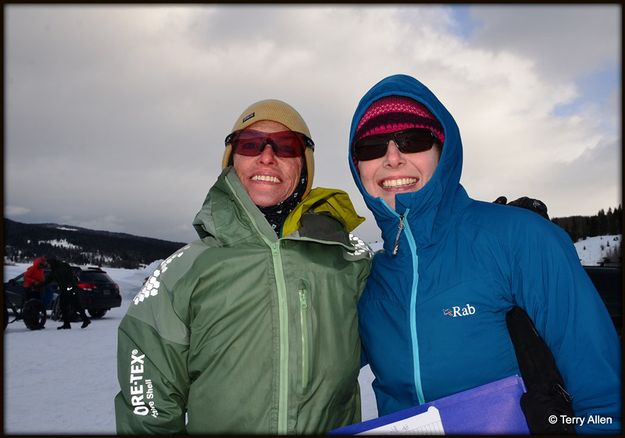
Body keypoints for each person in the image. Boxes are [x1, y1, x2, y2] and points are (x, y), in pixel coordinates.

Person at [348, 74, 620, 434]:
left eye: (413, 140)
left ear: (442, 151)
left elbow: (606, 405)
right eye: (371, 147)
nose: (392, 158)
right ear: (358, 166)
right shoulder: (372, 279)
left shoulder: (521, 239)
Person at [115, 99, 372, 434]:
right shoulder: (184, 271)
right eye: (250, 144)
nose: (267, 156)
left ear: (304, 164)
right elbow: (147, 409)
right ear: (232, 159)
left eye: (286, 146)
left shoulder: (350, 259)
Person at [47, 258, 91, 329]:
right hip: (67, 289)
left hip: (69, 288)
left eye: (48, 264)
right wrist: (41, 284)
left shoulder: (61, 267)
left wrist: (70, 286)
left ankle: (68, 324)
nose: (47, 265)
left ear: (51, 263)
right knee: (73, 305)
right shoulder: (55, 269)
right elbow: (49, 279)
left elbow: (70, 276)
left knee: (67, 305)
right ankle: (83, 320)